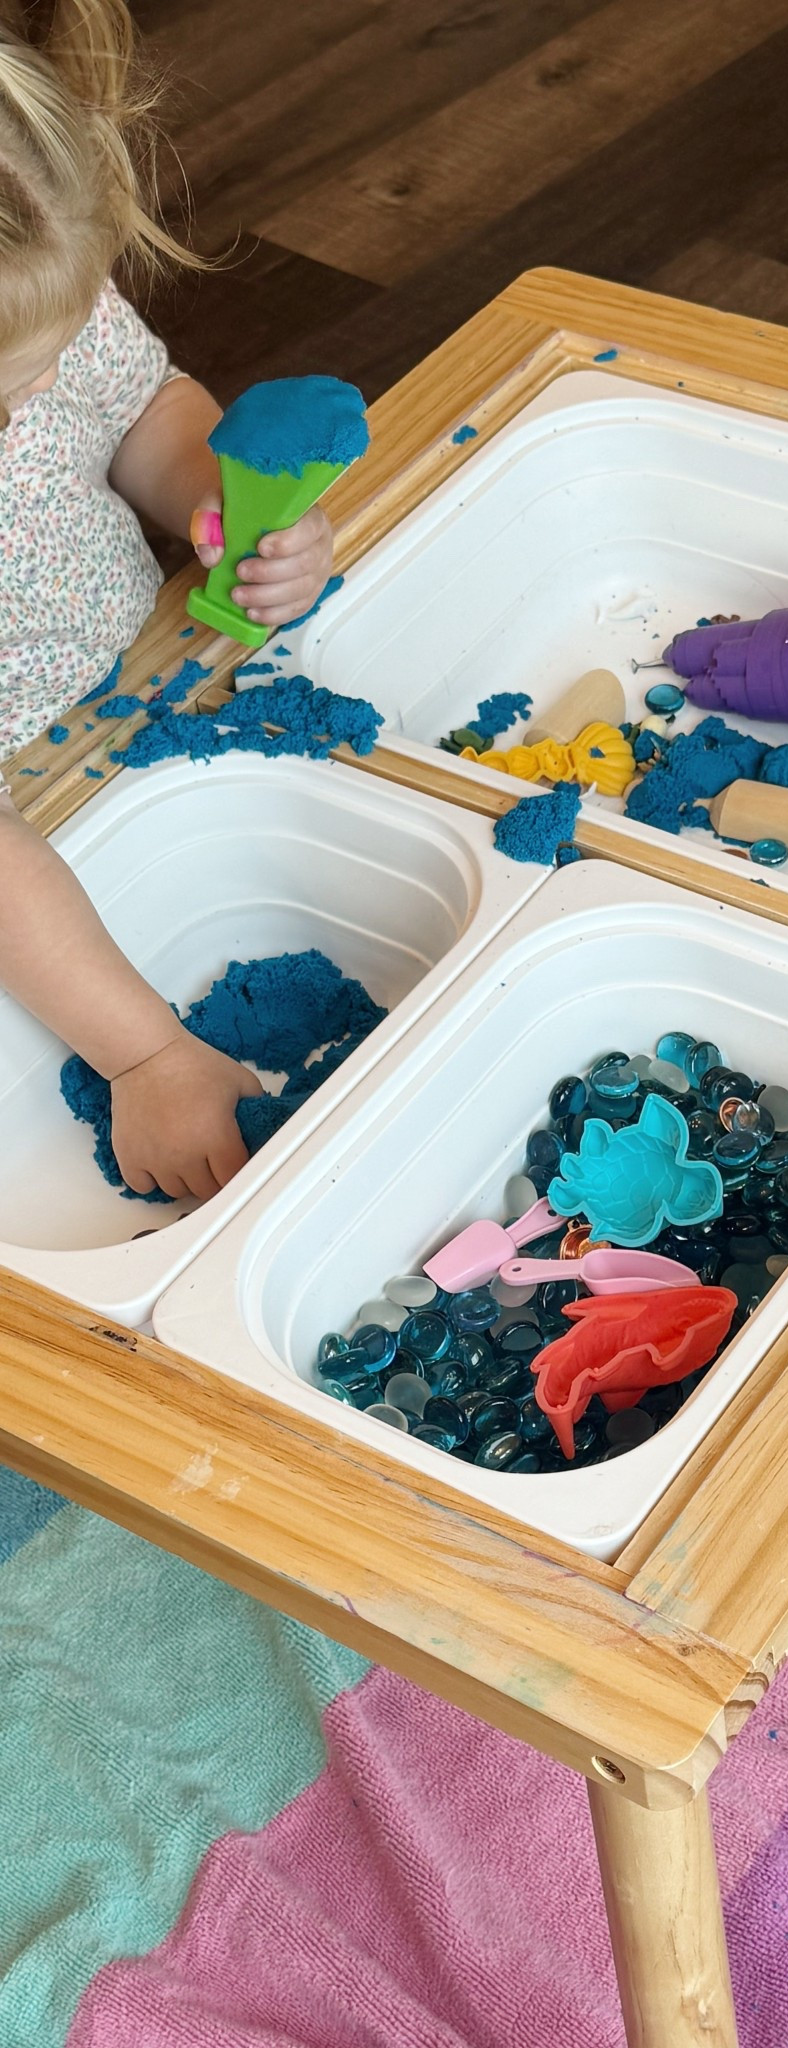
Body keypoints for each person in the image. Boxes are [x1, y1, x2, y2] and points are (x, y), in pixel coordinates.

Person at [0, 0, 333, 1203]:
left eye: (37, 371)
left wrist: (225, 506)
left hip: (140, 682)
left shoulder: (38, 288)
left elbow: (143, 406)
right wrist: (144, 1050)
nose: (29, 407)